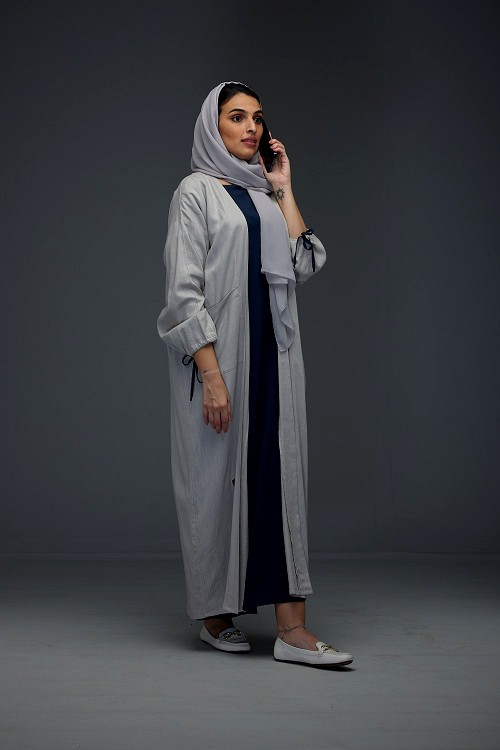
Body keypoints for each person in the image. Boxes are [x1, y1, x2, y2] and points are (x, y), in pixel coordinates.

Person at [156, 81, 353, 668]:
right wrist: (212, 375)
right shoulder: (196, 192)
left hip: (276, 360)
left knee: (279, 479)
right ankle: (215, 616)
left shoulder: (265, 195)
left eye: (257, 119)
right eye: (236, 117)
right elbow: (182, 292)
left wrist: (284, 188)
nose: (251, 128)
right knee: (215, 484)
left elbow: (303, 263)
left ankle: (293, 630)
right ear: (211, 127)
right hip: (222, 361)